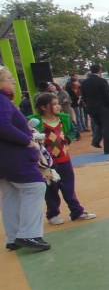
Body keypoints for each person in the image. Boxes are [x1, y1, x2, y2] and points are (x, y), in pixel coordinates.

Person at [0, 66, 50, 252]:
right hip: (13, 157)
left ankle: (13, 237)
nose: (13, 82)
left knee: (11, 193)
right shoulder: (2, 100)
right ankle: (29, 235)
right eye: (9, 79)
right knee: (35, 187)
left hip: (4, 159)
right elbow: (3, 126)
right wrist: (27, 141)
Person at [28, 93, 96, 225]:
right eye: (53, 104)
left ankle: (76, 211)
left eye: (58, 103)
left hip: (64, 159)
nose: (58, 106)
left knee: (69, 187)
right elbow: (28, 134)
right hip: (47, 164)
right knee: (51, 189)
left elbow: (72, 130)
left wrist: (68, 139)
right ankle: (52, 214)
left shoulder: (63, 118)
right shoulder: (35, 122)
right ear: (43, 107)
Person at [81, 63, 109, 154]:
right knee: (107, 128)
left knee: (99, 125)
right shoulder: (102, 81)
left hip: (92, 108)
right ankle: (108, 149)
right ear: (99, 70)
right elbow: (107, 95)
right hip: (104, 108)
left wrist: (88, 105)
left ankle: (96, 141)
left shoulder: (85, 82)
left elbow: (84, 96)